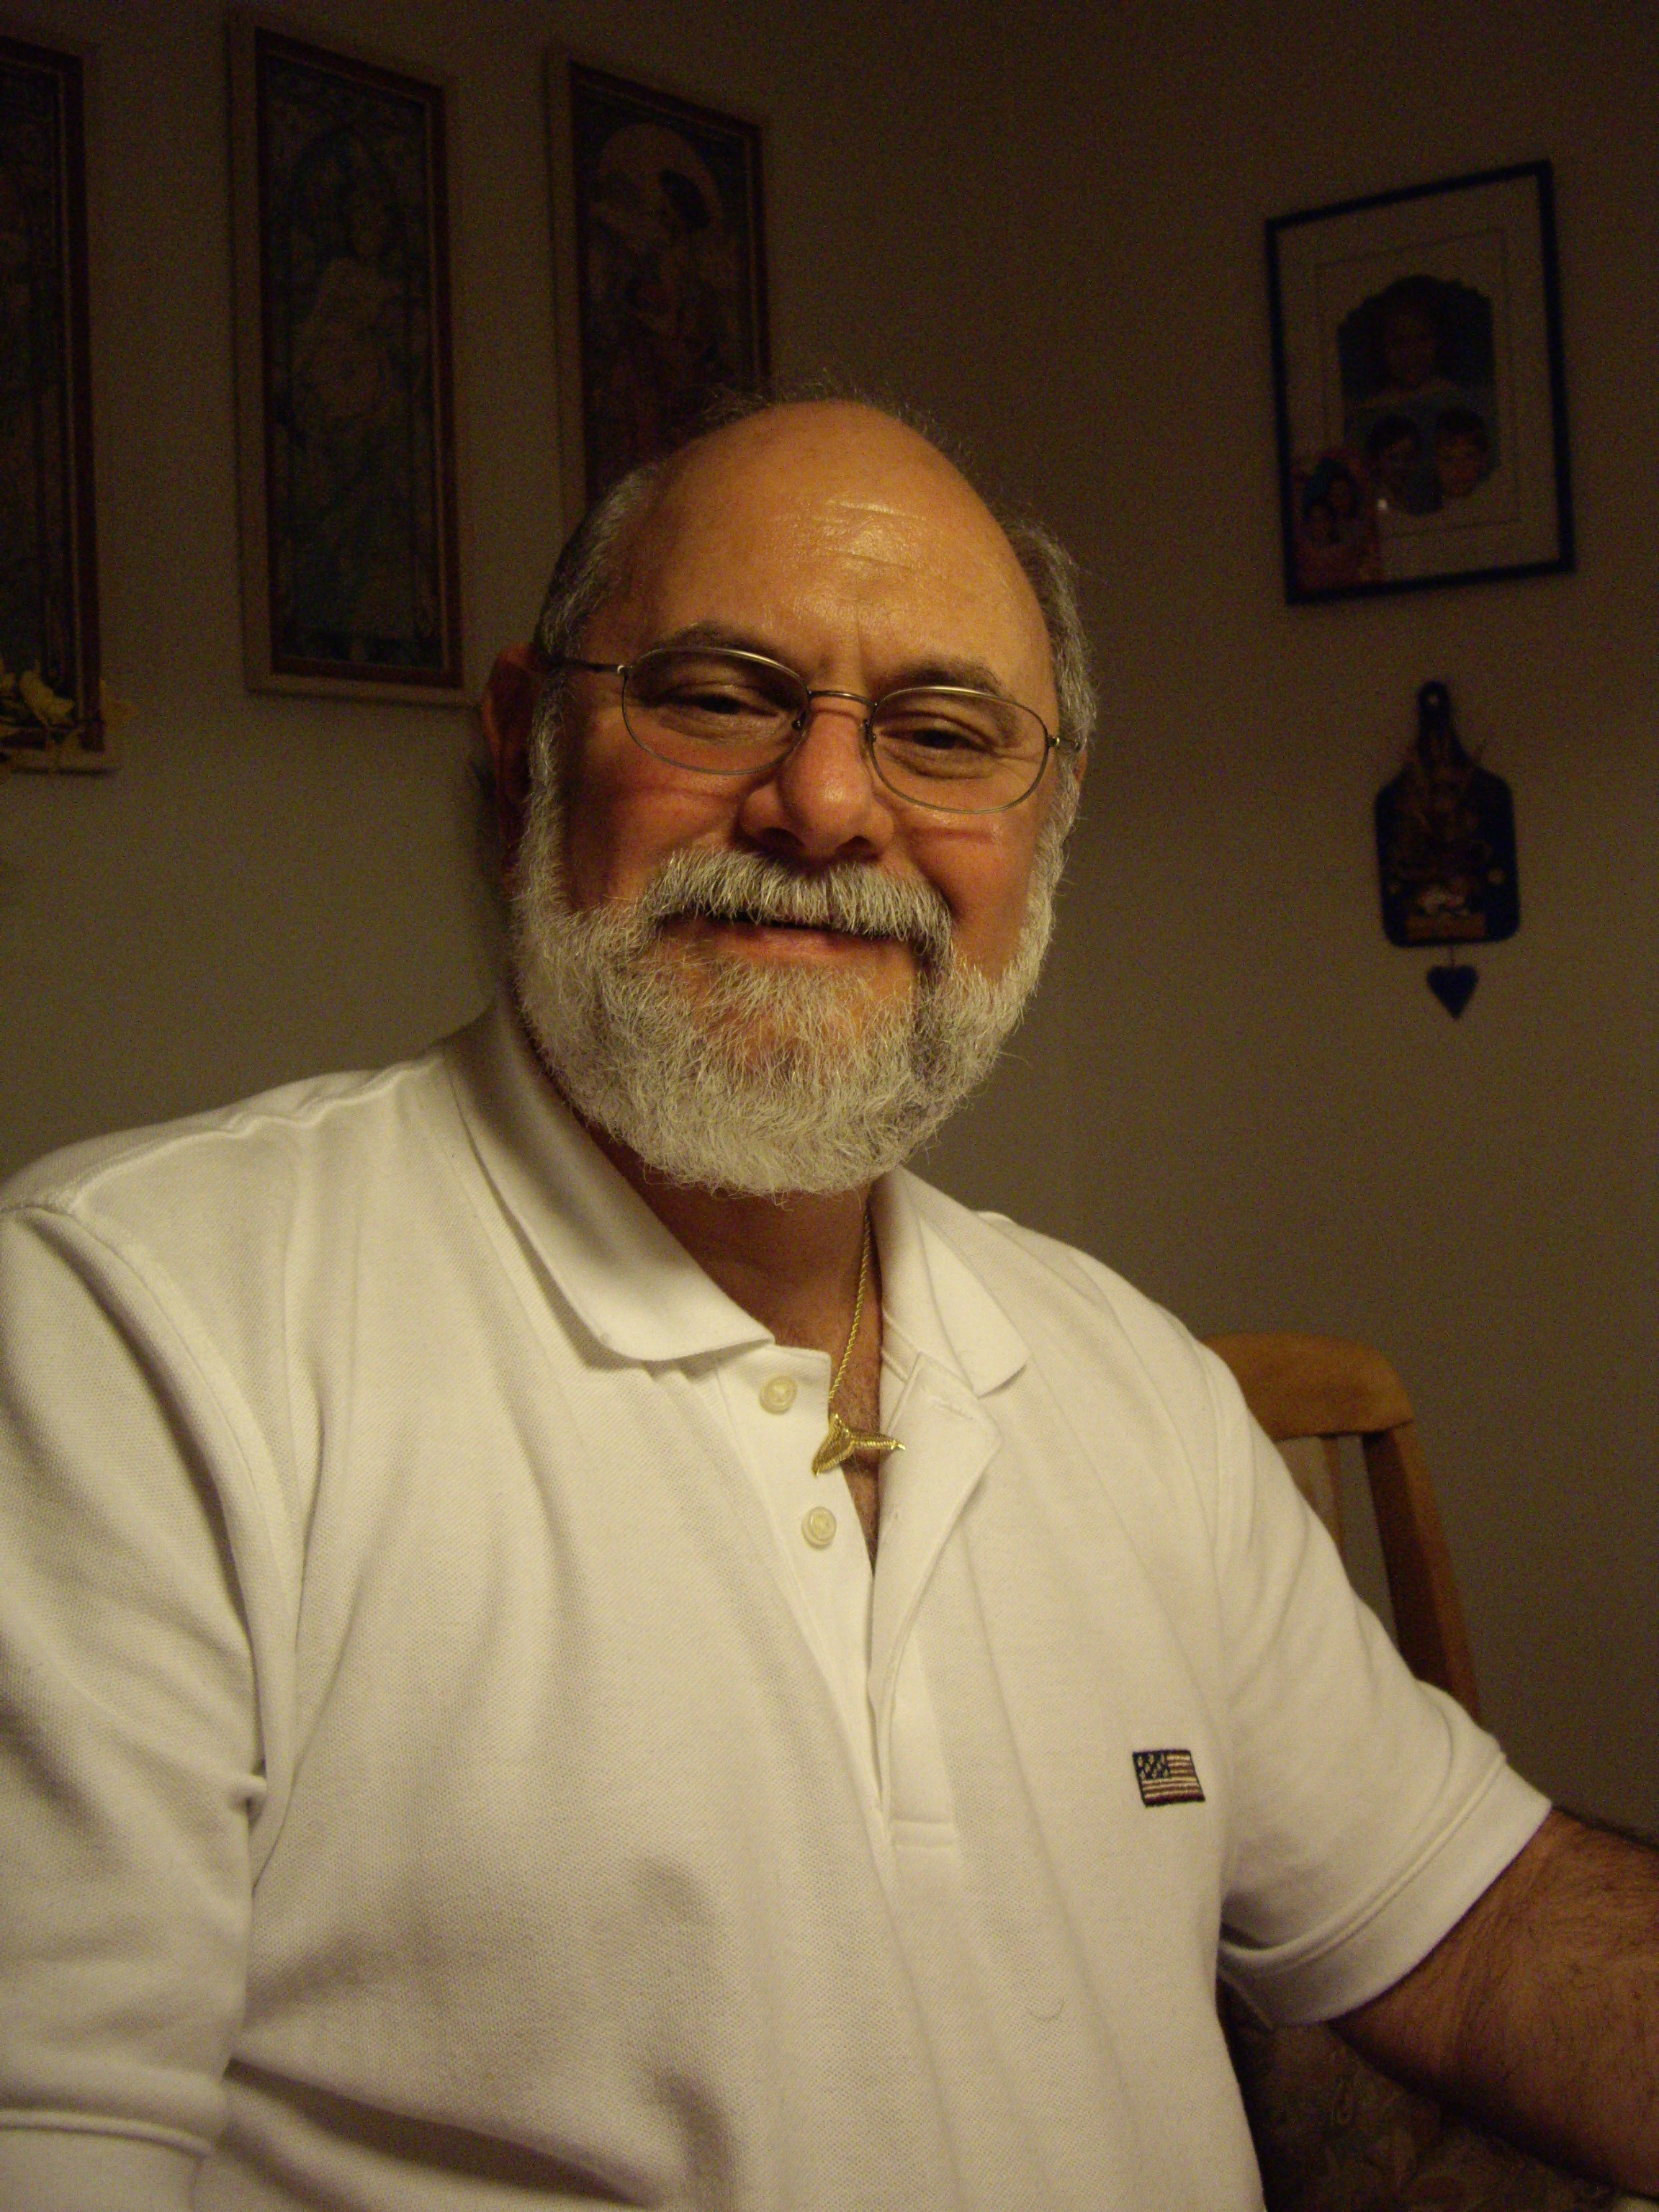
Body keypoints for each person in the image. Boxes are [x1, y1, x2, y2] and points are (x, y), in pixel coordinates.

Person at [1, 398, 1655, 2212]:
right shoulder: (135, 1329)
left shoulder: (1129, 1381)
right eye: (720, 697)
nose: (830, 806)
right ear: (523, 748)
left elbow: (1484, 1929)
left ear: (1047, 822)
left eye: (944, 734)